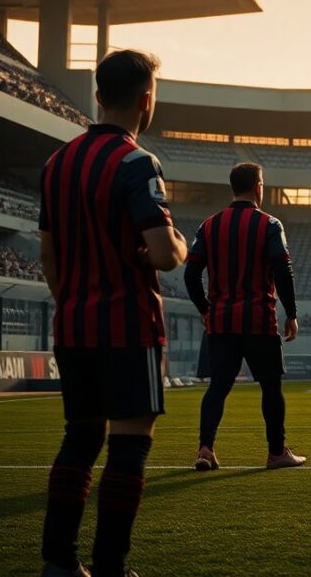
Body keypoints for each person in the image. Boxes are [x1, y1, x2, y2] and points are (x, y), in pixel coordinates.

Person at [38, 50, 188, 577]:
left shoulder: (56, 163)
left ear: (98, 96)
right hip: (127, 325)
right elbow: (166, 256)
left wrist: (73, 301)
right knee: (129, 447)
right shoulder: (136, 162)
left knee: (79, 440)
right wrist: (181, 245)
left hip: (74, 325)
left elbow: (48, 255)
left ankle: (57, 561)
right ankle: (110, 566)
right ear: (147, 101)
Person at [185, 163, 305, 471]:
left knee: (218, 386)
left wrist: (205, 310)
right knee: (270, 386)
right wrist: (291, 313)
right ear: (257, 187)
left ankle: (205, 448)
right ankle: (277, 452)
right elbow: (283, 270)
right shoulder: (269, 224)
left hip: (221, 322)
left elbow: (191, 273)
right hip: (258, 321)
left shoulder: (209, 225)